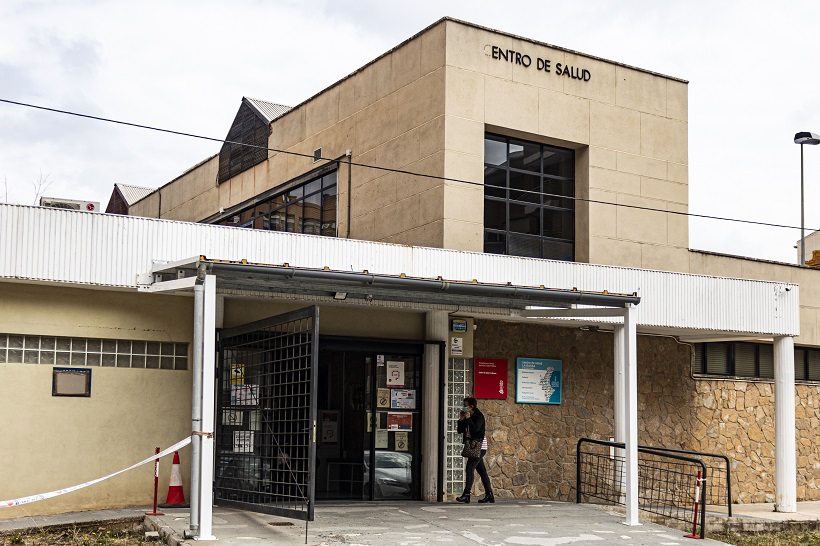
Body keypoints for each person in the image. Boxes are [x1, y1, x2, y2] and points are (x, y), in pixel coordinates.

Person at [456, 397, 494, 504]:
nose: (463, 407)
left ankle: (466, 494)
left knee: (469, 468)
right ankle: (489, 495)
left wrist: (468, 419)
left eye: (465, 405)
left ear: (471, 406)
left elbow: (476, 430)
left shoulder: (479, 416)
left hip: (479, 447)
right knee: (482, 471)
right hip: (472, 446)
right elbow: (460, 430)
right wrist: (461, 419)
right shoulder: (467, 416)